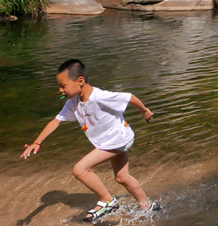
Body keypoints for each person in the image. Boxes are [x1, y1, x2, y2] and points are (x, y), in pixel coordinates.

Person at [20, 59, 156, 222]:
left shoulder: (100, 97)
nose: (60, 90)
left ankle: (107, 201)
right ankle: (148, 206)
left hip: (117, 140)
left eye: (63, 86)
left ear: (80, 81)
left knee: (80, 169)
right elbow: (56, 121)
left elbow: (129, 97)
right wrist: (37, 142)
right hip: (117, 139)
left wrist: (145, 111)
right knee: (122, 178)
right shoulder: (73, 102)